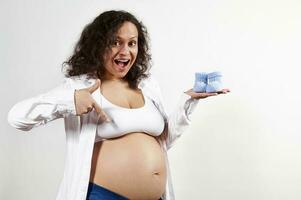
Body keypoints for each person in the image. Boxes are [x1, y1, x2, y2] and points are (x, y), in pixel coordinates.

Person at [7, 10, 230, 200]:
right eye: (116, 42)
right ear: (98, 45)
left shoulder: (146, 85)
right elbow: (17, 117)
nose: (125, 51)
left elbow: (162, 143)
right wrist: (71, 102)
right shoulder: (81, 86)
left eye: (132, 43)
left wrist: (188, 101)